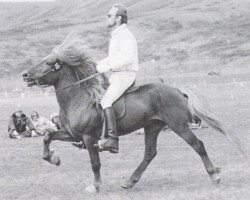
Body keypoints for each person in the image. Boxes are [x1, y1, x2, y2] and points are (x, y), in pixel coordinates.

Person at [95, 4, 138, 153]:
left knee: (106, 101)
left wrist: (109, 67)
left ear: (118, 18)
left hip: (125, 74)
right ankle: (98, 137)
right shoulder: (117, 35)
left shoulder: (126, 35)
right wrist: (99, 63)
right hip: (118, 74)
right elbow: (113, 57)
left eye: (109, 15)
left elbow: (129, 59)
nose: (106, 18)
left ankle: (113, 140)